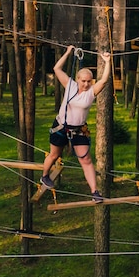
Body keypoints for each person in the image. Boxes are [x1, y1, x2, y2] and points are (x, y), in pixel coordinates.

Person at [40, 45, 111, 203]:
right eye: (83, 81)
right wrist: (67, 53)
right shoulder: (70, 85)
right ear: (77, 79)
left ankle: (95, 192)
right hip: (61, 126)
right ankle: (44, 176)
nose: (86, 84)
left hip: (79, 130)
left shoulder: (91, 92)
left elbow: (105, 80)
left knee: (86, 160)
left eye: (89, 81)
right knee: (54, 154)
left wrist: (107, 61)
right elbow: (57, 68)